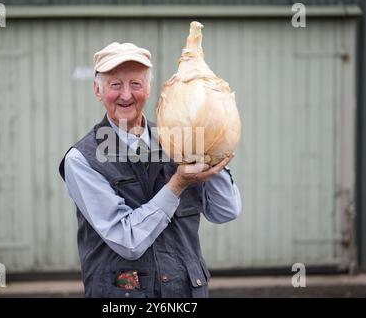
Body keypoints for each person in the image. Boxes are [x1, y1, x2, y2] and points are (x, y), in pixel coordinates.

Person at [59, 42, 242, 298]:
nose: (126, 95)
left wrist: (212, 144)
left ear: (148, 88)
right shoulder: (83, 160)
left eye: (135, 84)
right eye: (115, 85)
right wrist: (177, 184)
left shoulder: (178, 137)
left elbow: (225, 211)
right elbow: (128, 240)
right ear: (97, 91)